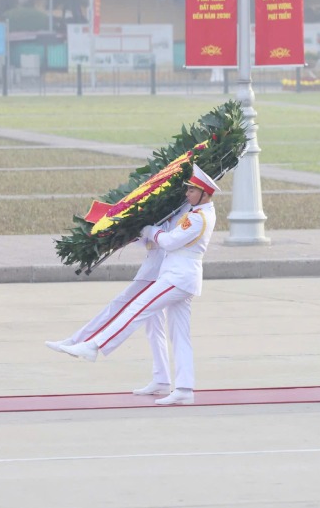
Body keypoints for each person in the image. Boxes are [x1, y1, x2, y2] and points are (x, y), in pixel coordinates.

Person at [58, 164, 219, 406]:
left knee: (137, 308)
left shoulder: (198, 218)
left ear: (204, 193)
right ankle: (184, 388)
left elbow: (169, 241)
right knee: (179, 335)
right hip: (180, 277)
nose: (187, 194)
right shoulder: (195, 212)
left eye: (192, 190)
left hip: (177, 277)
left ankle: (95, 345)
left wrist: (150, 230)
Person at [45, 203, 191, 397]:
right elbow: (153, 238)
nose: (189, 192)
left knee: (121, 306)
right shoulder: (176, 205)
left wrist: (145, 230)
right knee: (153, 327)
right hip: (155, 268)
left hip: (161, 271)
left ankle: (80, 341)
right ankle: (162, 378)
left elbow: (169, 239)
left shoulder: (186, 208)